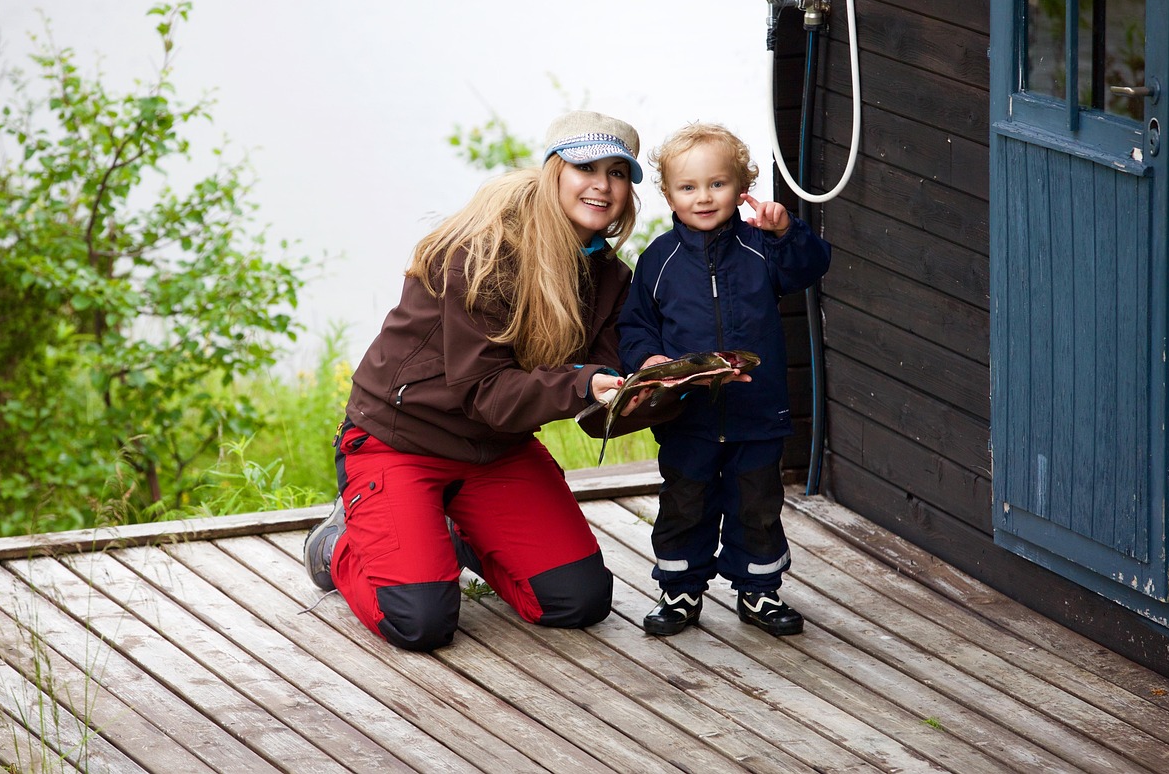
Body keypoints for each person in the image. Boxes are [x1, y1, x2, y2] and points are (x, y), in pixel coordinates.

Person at [303, 110, 658, 652]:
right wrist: (586, 384)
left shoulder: (608, 276)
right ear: (554, 172)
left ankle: (457, 536)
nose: (602, 185)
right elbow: (485, 393)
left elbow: (596, 409)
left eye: (617, 173)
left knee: (576, 600)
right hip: (401, 440)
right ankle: (339, 545)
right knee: (420, 622)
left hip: (495, 449)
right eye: (586, 167)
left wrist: (665, 389)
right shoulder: (483, 250)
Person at [617, 121, 832, 637]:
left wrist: (786, 232)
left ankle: (758, 592)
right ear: (667, 193)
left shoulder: (762, 250)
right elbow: (636, 326)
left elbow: (809, 267)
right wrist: (647, 360)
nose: (704, 197)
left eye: (717, 184)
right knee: (685, 502)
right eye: (688, 187)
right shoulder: (658, 261)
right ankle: (679, 590)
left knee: (755, 505)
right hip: (688, 419)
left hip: (758, 415)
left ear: (742, 186)